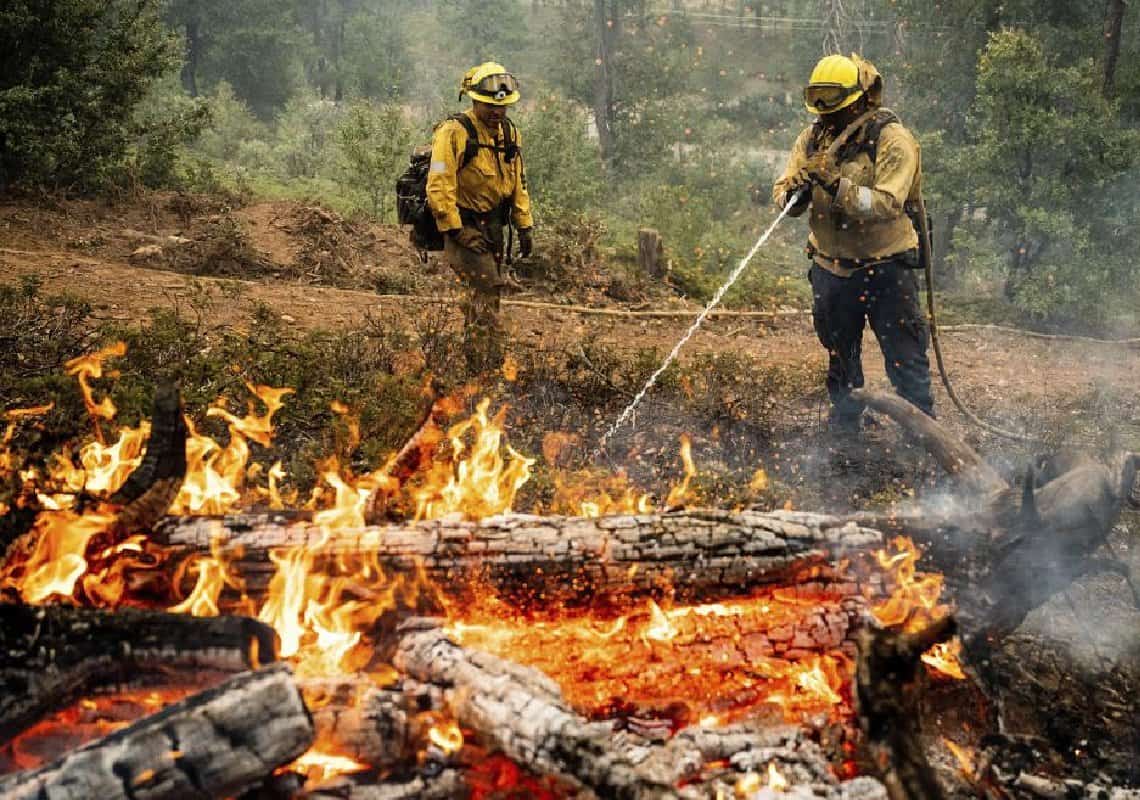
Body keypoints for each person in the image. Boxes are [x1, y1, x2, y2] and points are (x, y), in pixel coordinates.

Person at [772, 54, 934, 432]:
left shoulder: (893, 141)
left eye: (836, 108)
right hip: (831, 270)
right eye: (821, 107)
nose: (827, 117)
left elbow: (886, 203)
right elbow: (781, 191)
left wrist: (836, 186)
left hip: (887, 270)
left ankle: (925, 442)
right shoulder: (813, 138)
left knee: (906, 363)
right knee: (841, 359)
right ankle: (845, 438)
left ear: (861, 100)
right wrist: (794, 195)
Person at [426, 61, 534, 371]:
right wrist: (456, 230)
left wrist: (524, 225)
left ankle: (480, 360)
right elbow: (439, 184)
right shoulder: (454, 133)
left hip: (495, 224)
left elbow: (518, 182)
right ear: (473, 100)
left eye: (501, 106)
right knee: (486, 287)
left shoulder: (510, 134)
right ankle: (485, 364)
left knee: (487, 293)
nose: (496, 112)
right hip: (465, 222)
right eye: (488, 105)